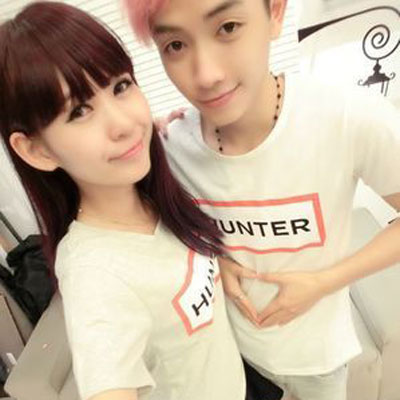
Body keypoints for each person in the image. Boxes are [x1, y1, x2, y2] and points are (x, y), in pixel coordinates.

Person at [124, 0, 400, 399]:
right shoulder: (172, 147)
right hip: (232, 357)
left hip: (319, 361)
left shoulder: (347, 116)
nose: (207, 75)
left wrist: (323, 282)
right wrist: (216, 259)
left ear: (275, 13)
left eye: (228, 27)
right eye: (176, 46)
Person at [0, 3, 249, 400]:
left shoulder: (153, 193)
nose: (124, 124)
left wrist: (220, 267)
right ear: (37, 151)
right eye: (79, 111)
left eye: (120, 86)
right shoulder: (95, 275)